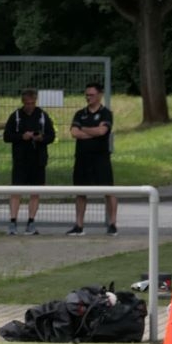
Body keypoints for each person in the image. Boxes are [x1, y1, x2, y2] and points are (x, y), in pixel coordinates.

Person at [2, 87, 55, 234]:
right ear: (23, 102)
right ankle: (13, 222)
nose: (30, 106)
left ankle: (31, 222)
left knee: (35, 191)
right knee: (16, 191)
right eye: (27, 103)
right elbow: (6, 136)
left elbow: (51, 136)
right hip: (21, 160)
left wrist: (41, 138)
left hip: (38, 160)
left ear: (35, 101)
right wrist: (22, 136)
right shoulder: (16, 116)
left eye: (32, 103)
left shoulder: (42, 115)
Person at [67, 81, 116, 235]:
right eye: (87, 95)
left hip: (101, 158)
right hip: (82, 158)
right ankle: (79, 225)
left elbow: (102, 131)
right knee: (80, 191)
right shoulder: (79, 114)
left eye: (92, 95)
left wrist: (84, 128)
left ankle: (112, 224)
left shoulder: (106, 113)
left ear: (100, 95)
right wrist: (92, 132)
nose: (89, 98)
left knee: (109, 190)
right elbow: (74, 132)